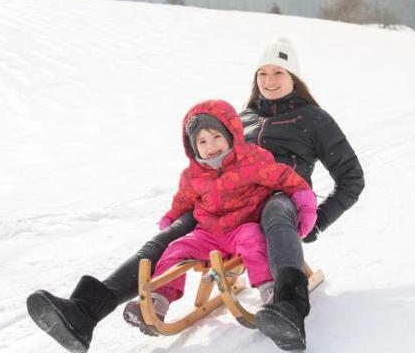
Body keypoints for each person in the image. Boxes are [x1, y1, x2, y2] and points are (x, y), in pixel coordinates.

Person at [27, 36, 364, 352]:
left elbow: (351, 178)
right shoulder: (242, 116)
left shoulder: (314, 119)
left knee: (275, 211)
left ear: (295, 77)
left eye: (279, 72)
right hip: (226, 203)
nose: (269, 80)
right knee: (171, 236)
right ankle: (85, 310)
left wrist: (316, 222)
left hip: (281, 198)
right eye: (262, 73)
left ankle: (289, 306)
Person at [121, 99, 317, 333]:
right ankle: (156, 303)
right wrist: (170, 217)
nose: (210, 146)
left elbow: (284, 177)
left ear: (230, 134)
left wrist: (303, 200)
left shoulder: (252, 160)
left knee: (255, 244)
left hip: (244, 226)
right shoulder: (192, 175)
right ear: (193, 147)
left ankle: (271, 293)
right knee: (175, 249)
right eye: (202, 141)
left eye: (216, 137)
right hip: (208, 233)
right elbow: (183, 200)